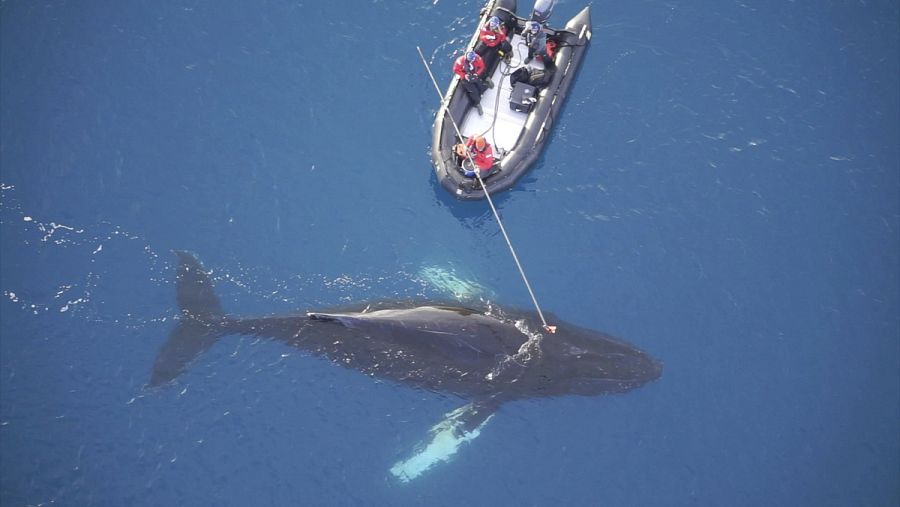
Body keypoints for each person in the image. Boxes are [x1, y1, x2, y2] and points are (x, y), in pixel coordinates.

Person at [453, 51, 494, 115]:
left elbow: (482, 67)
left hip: (474, 74)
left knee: (480, 85)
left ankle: (485, 85)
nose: (473, 61)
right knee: (473, 91)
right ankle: (477, 104)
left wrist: (476, 74)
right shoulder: (460, 61)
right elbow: (455, 70)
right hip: (465, 77)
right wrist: (464, 75)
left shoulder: (478, 58)